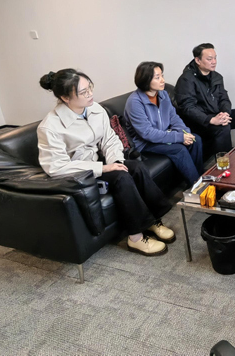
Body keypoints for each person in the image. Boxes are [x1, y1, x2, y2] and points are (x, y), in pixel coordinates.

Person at [37, 69, 175, 257]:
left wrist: (115, 161)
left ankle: (153, 220)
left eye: (90, 88)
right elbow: (56, 167)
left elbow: (109, 139)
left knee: (135, 167)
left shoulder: (95, 109)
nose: (90, 94)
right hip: (78, 175)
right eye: (83, 92)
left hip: (99, 163)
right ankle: (135, 238)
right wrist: (103, 168)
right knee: (121, 177)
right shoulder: (50, 127)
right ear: (65, 98)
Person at [123, 61, 203, 186]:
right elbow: (147, 133)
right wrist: (179, 137)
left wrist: (185, 132)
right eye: (157, 77)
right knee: (179, 149)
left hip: (163, 135)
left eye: (162, 76)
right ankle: (197, 188)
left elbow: (173, 117)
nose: (163, 80)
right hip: (145, 143)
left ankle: (200, 180)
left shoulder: (163, 94)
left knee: (195, 139)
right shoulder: (134, 102)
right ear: (146, 80)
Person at [174, 43, 235, 155]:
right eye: (209, 59)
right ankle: (223, 161)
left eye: (215, 58)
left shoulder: (216, 77)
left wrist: (225, 113)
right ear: (198, 60)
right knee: (223, 128)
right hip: (198, 121)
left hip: (215, 115)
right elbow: (188, 108)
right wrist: (210, 120)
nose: (214, 62)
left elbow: (224, 99)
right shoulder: (186, 79)